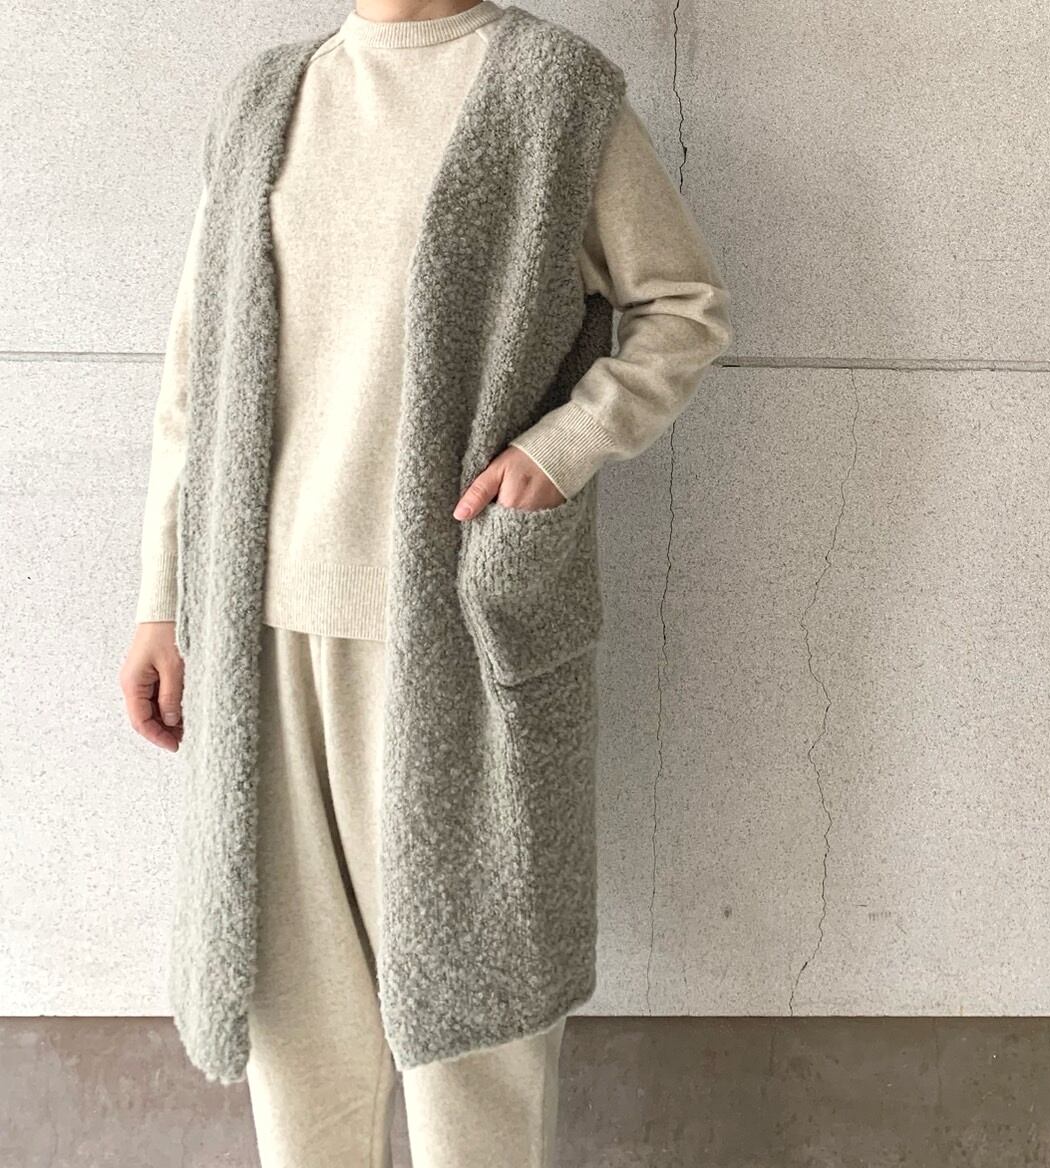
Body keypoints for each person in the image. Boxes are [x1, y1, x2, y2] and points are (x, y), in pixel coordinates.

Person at [115, 2, 732, 1164]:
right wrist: (162, 597)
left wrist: (560, 450)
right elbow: (196, 373)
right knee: (300, 1044)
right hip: (259, 641)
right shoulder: (266, 100)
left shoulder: (555, 92)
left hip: (457, 635)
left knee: (474, 1050)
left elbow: (681, 309)